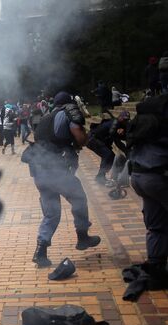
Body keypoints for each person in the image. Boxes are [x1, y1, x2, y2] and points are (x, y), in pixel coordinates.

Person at [27, 92, 101, 267]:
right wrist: (83, 137)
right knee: (79, 197)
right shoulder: (69, 113)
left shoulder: (46, 118)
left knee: (51, 213)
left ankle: (40, 253)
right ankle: (82, 237)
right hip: (55, 169)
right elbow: (80, 137)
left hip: (38, 170)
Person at [125, 94, 168, 298]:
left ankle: (156, 273)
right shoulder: (162, 124)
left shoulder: (144, 123)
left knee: (156, 225)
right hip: (158, 177)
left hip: (139, 176)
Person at [87, 111, 130, 185]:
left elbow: (121, 137)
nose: (125, 121)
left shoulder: (121, 124)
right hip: (92, 139)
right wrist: (127, 151)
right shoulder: (115, 124)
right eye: (124, 119)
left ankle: (101, 176)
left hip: (99, 140)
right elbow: (117, 141)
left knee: (111, 157)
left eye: (127, 120)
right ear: (119, 117)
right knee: (107, 155)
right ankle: (100, 177)